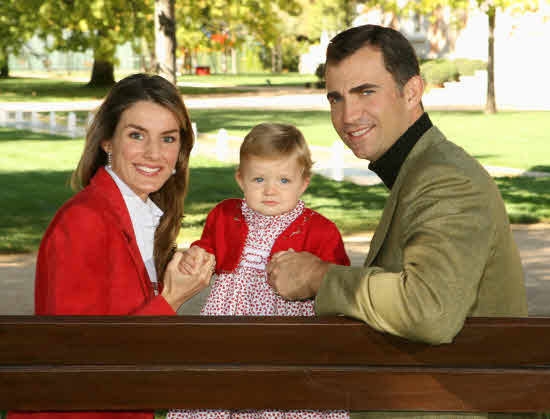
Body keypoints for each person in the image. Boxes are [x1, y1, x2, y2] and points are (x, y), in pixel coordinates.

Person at [267, 25, 528, 345]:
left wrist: (317, 277)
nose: (348, 116)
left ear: (412, 92)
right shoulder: (421, 168)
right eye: (336, 98)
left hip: (472, 392)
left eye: (366, 92)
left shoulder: (447, 180)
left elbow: (429, 312)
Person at [8, 73, 213, 419]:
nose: (153, 153)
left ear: (180, 151)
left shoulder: (141, 216)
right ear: (107, 142)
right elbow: (79, 356)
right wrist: (171, 299)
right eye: (136, 135)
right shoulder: (84, 221)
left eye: (168, 138)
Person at [168, 122, 350, 419]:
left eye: (283, 180)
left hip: (285, 338)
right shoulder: (226, 214)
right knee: (214, 394)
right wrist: (199, 254)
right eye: (259, 179)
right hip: (228, 327)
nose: (270, 190)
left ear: (304, 182)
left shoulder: (319, 230)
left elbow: (337, 282)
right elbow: (208, 246)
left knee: (278, 401)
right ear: (241, 179)